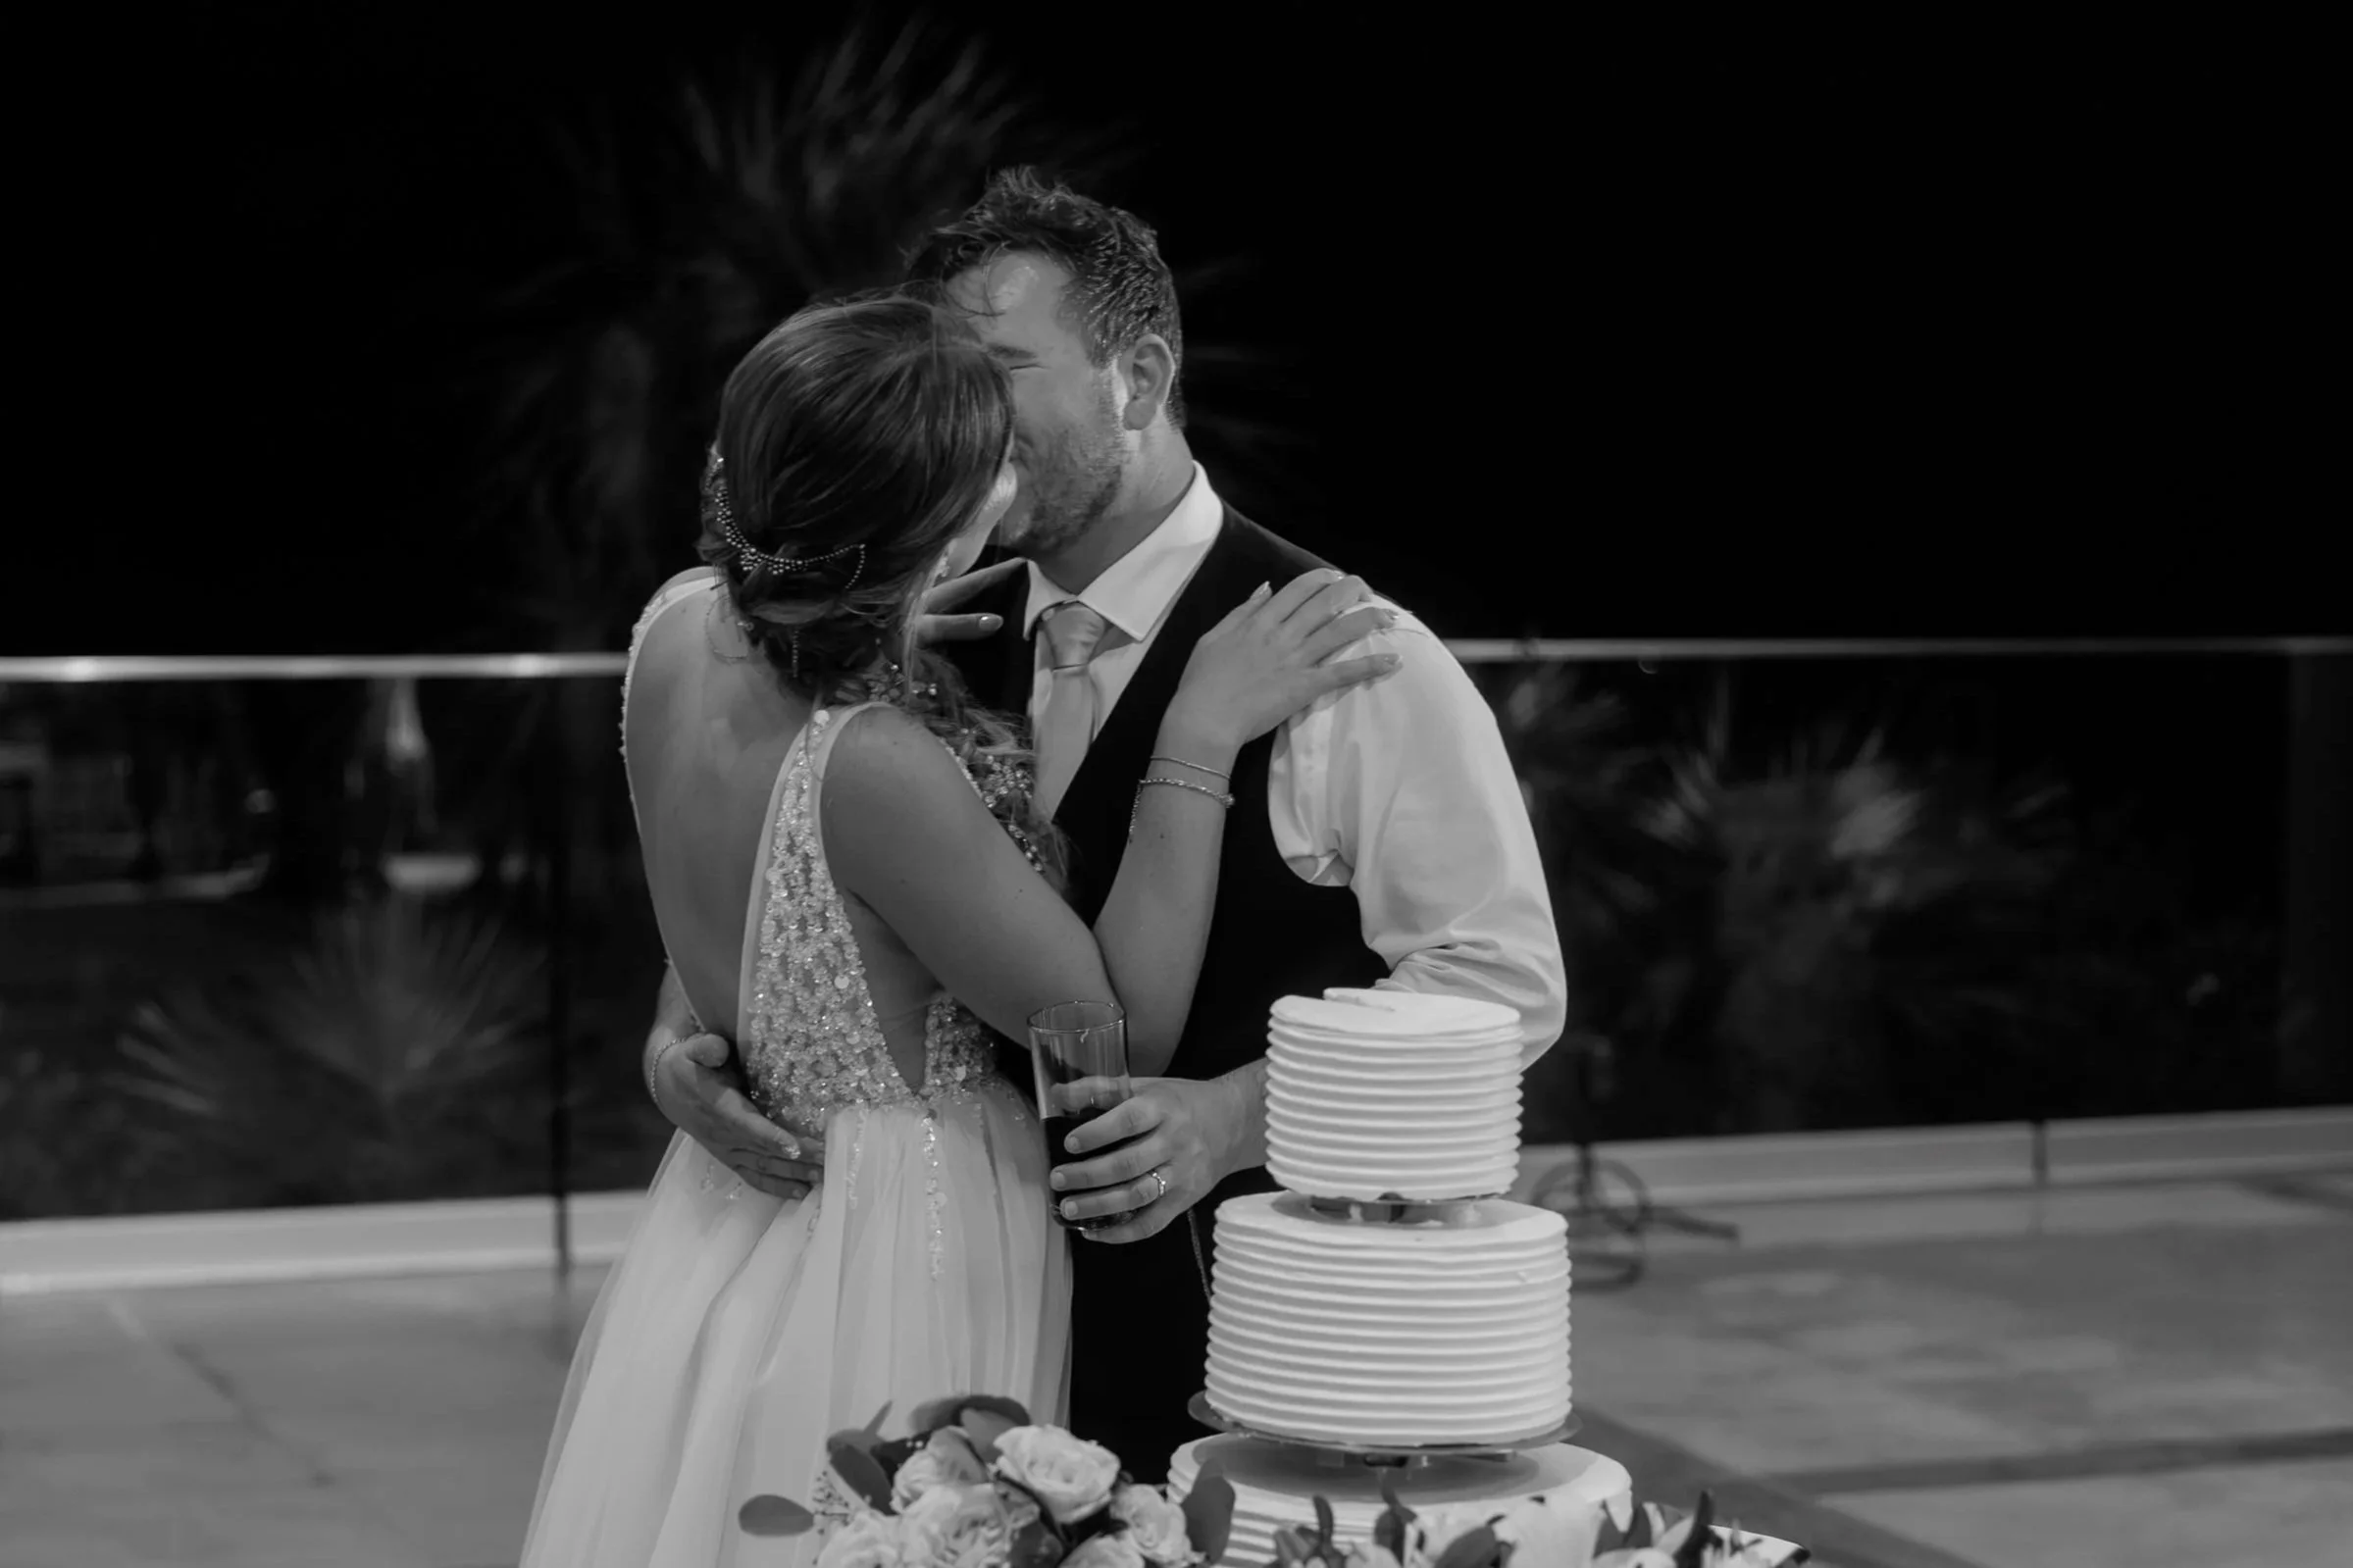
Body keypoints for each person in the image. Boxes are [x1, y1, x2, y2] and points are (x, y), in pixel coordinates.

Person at [645, 170, 1564, 1480]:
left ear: (1135, 378)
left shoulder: (1349, 654)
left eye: (999, 367)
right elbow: (785, 865)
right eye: (941, 367)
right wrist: (685, 1029)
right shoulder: (936, 624)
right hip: (958, 1320)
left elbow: (1503, 981)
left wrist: (1233, 1119)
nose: (956, 411)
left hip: (1228, 1336)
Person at [519, 290, 1394, 1567]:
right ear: (952, 509)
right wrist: (1194, 731)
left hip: (733, 1232)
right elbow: (1114, 1023)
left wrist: (674, 1032)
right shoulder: (872, 763)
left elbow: (762, 889)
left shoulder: (676, 628)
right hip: (904, 1242)